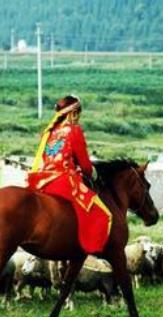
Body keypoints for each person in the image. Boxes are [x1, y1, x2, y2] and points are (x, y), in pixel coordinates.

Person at [27, 95, 112, 254]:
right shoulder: (74, 130)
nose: (78, 118)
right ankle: (90, 249)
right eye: (78, 114)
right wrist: (92, 174)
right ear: (72, 113)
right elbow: (85, 164)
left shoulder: (50, 132)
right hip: (64, 181)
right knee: (102, 213)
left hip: (43, 180)